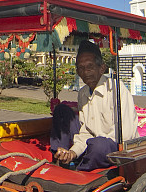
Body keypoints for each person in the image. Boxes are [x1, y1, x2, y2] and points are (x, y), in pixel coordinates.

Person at [51, 40, 137, 171]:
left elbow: (124, 134)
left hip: (113, 146)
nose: (85, 72)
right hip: (90, 143)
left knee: (98, 145)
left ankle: (81, 170)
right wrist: (73, 152)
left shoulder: (116, 89)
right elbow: (85, 131)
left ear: (102, 68)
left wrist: (93, 144)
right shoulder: (83, 93)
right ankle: (62, 157)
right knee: (61, 111)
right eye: (81, 68)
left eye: (90, 67)